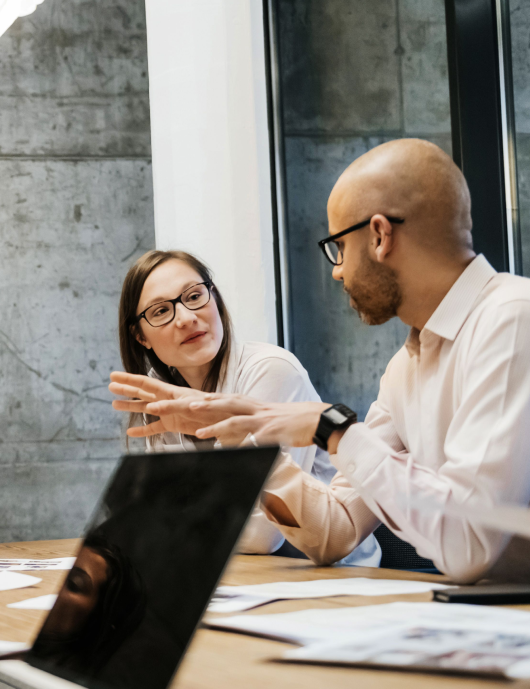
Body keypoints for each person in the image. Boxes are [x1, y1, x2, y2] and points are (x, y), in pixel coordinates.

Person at [111, 138, 530, 584]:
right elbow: (337, 533)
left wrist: (330, 427)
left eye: (338, 248)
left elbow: (469, 547)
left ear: (379, 236)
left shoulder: (511, 318)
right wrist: (246, 435)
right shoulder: (405, 369)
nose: (336, 270)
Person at [111, 249, 380, 565]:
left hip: (328, 576)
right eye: (160, 312)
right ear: (140, 336)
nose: (186, 317)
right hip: (234, 575)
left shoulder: (270, 370)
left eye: (194, 295)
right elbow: (152, 518)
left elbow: (264, 535)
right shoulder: (157, 393)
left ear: (215, 297)